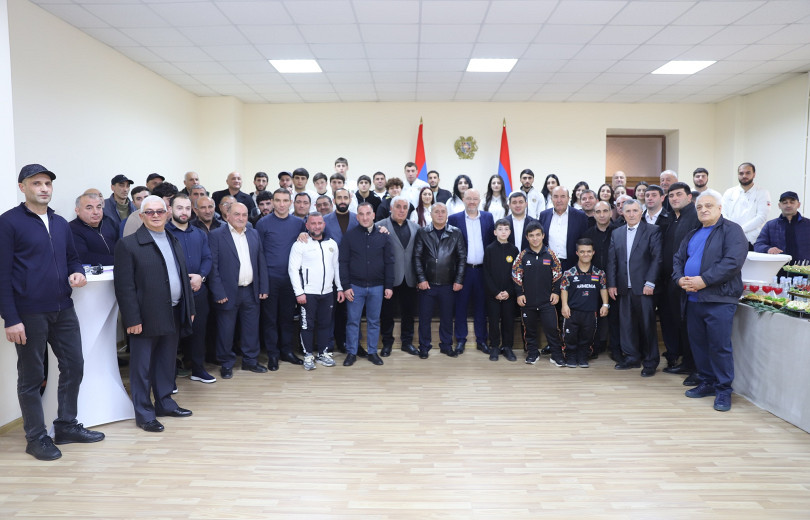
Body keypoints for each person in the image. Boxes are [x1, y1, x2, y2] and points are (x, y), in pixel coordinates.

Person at [0, 164, 104, 461]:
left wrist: (77, 272)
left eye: (47, 183)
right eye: (36, 183)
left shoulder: (60, 223)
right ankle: (36, 437)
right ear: (22, 187)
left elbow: (72, 258)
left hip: (63, 308)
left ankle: (66, 426)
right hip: (29, 313)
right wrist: (11, 318)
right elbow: (2, 273)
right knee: (32, 376)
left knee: (74, 366)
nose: (44, 188)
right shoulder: (8, 223)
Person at [114, 195, 196, 433]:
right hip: (145, 317)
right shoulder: (128, 245)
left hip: (173, 311)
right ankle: (144, 414)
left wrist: (189, 308)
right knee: (141, 368)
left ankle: (165, 403)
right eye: (150, 212)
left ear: (167, 213)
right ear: (141, 216)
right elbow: (124, 287)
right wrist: (132, 319)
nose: (156, 215)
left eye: (160, 211)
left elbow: (182, 275)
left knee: (166, 363)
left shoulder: (172, 239)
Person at [673, 189, 748, 412]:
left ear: (720, 208)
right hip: (693, 298)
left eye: (708, 206)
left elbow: (732, 262)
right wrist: (679, 279)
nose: (703, 210)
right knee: (699, 345)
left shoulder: (732, 230)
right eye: (699, 207)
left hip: (719, 299)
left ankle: (723, 390)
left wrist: (704, 280)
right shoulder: (693, 233)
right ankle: (706, 382)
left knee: (719, 346)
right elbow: (678, 259)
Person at [208, 202, 269, 379]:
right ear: (227, 216)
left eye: (244, 214)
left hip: (250, 290)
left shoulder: (253, 233)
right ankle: (226, 363)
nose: (241, 218)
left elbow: (260, 261)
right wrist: (218, 292)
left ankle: (250, 361)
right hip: (227, 292)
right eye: (237, 214)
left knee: (251, 329)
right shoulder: (216, 235)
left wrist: (263, 286)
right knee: (226, 331)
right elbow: (213, 267)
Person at [606, 199, 662, 377]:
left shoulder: (653, 230)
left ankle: (650, 362)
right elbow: (612, 260)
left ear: (641, 212)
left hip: (644, 287)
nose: (631, 214)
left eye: (635, 211)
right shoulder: (617, 233)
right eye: (628, 211)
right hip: (623, 287)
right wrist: (611, 284)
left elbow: (657, 258)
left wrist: (650, 282)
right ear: (622, 213)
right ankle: (631, 357)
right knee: (627, 325)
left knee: (647, 326)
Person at [166, 194, 214, 384]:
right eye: (179, 208)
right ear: (170, 209)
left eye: (187, 208)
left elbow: (207, 258)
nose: (184, 212)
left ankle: (198, 369)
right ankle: (169, 377)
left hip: (197, 290)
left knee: (199, 333)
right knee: (172, 337)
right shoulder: (164, 233)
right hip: (174, 293)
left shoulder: (199, 233)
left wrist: (200, 276)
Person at [256, 189, 306, 370]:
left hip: (290, 279)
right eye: (278, 200)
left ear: (290, 202)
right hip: (270, 278)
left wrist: (305, 235)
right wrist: (262, 282)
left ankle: (287, 351)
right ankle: (273, 355)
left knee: (287, 318)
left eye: (285, 200)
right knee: (270, 319)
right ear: (273, 202)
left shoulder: (299, 223)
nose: (282, 204)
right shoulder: (262, 223)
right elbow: (258, 254)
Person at [339, 203, 394, 367]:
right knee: (352, 321)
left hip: (377, 287)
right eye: (361, 214)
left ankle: (372, 352)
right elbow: (343, 263)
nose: (365, 217)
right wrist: (346, 286)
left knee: (374, 321)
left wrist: (389, 286)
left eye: (368, 213)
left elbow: (389, 262)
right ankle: (351, 352)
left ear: (373, 215)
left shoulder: (384, 235)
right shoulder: (349, 236)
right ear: (357, 217)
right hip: (355, 286)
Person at [289, 212, 343, 370]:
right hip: (308, 294)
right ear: (307, 225)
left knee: (325, 324)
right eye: (313, 223)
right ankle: (307, 355)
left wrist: (339, 287)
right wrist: (299, 292)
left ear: (324, 225)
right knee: (307, 325)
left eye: (319, 223)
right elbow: (293, 270)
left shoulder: (332, 244)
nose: (317, 226)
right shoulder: (300, 244)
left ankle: (322, 353)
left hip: (327, 292)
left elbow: (336, 267)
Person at [659, 182, 702, 381]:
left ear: (689, 197)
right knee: (677, 323)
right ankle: (685, 362)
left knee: (688, 325)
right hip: (673, 280)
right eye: (671, 196)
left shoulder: (695, 217)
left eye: (678, 194)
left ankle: (694, 367)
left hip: (688, 281)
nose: (674, 198)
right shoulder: (674, 218)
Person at [414, 203, 466, 358]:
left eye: (443, 211)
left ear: (447, 214)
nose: (440, 214)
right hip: (427, 284)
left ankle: (446, 345)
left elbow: (462, 258)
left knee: (447, 317)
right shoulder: (422, 232)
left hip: (448, 283)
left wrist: (459, 280)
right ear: (431, 214)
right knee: (424, 318)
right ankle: (424, 346)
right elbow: (416, 257)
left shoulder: (456, 233)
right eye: (436, 211)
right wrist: (421, 279)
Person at [448, 189, 494, 354]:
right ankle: (461, 340)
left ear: (479, 200)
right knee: (460, 306)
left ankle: (482, 340)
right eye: (469, 198)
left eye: (475, 198)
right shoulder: (454, 219)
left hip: (482, 270)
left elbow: (491, 242)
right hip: (463, 271)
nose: (472, 202)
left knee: (481, 306)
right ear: (463, 199)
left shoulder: (488, 217)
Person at [511, 223, 564, 365]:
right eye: (531, 236)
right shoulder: (522, 256)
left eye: (538, 235)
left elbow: (558, 274)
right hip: (527, 301)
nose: (535, 238)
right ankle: (532, 353)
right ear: (527, 237)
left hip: (547, 301)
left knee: (552, 329)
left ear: (543, 236)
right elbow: (516, 275)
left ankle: (557, 355)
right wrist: (519, 294)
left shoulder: (551, 254)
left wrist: (556, 292)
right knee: (529, 330)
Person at [377, 196, 420, 357]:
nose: (402, 210)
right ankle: (387, 343)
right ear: (391, 208)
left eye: (405, 207)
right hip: (388, 279)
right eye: (398, 206)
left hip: (410, 277)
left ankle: (407, 342)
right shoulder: (379, 226)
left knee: (408, 313)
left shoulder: (416, 227)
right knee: (387, 313)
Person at [560, 238, 609, 368]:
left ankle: (583, 357)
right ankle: (570, 356)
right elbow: (564, 289)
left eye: (588, 251)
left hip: (591, 312)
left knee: (587, 337)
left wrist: (605, 304)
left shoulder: (599, 273)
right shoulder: (568, 273)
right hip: (572, 313)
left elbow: (603, 288)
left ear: (593, 252)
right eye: (582, 251)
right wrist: (564, 305)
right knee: (570, 337)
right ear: (577, 253)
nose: (585, 254)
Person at [324, 188, 359, 355]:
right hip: (330, 272)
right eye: (339, 197)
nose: (343, 200)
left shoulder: (358, 218)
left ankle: (348, 342)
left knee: (350, 311)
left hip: (353, 271)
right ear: (334, 200)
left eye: (345, 197)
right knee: (331, 311)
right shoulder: (325, 220)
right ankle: (329, 343)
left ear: (350, 199)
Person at [582, 201, 618, 360]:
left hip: (615, 280)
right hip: (593, 281)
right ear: (594, 214)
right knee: (593, 315)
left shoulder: (619, 231)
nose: (602, 215)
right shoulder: (587, 234)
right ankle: (594, 347)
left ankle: (616, 349)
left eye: (605, 211)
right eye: (598, 212)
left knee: (615, 316)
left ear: (611, 212)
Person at [483, 219, 519, 362]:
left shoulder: (514, 250)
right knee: (493, 321)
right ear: (495, 232)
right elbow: (486, 273)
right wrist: (495, 292)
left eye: (506, 229)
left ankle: (507, 347)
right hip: (493, 294)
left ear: (510, 232)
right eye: (500, 229)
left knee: (508, 321)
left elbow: (516, 274)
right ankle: (494, 347)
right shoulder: (489, 249)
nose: (503, 232)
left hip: (509, 294)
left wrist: (509, 292)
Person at [538, 186, 590, 272]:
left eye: (562, 196)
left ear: (568, 198)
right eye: (555, 196)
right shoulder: (544, 215)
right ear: (551, 199)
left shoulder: (580, 216)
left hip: (572, 265)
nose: (559, 200)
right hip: (548, 264)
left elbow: (584, 241)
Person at [722, 162, 771, 249]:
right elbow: (723, 213)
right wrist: (732, 229)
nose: (744, 176)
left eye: (748, 173)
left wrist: (740, 229)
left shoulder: (763, 193)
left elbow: (761, 217)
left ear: (754, 174)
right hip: (730, 237)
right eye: (741, 173)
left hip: (751, 239)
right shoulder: (729, 192)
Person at [754, 191, 810, 263]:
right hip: (777, 267)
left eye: (792, 202)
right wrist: (768, 249)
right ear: (779, 205)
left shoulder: (808, 224)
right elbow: (758, 245)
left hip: (804, 268)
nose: (788, 205)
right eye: (785, 202)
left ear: (798, 205)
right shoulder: (770, 225)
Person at [70, 192, 118, 265]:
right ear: (77, 211)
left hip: (119, 267)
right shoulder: (72, 228)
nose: (95, 212)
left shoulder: (109, 222)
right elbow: (83, 257)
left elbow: (120, 245)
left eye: (98, 207)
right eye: (89, 208)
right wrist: (118, 260)